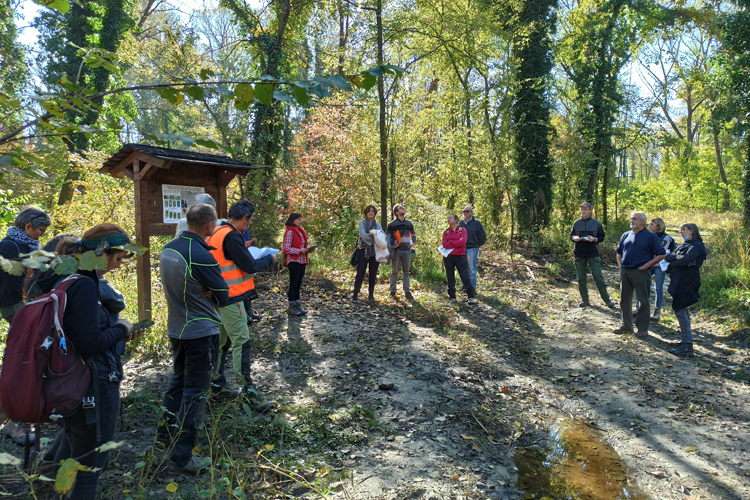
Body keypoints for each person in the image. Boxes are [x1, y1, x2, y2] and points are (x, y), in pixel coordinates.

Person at [32, 225, 143, 499]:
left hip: (71, 382)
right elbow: (88, 344)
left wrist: (114, 332)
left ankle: (52, 480)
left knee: (75, 446)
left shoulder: (67, 277)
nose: (117, 266)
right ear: (102, 252)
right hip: (91, 386)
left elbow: (79, 333)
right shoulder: (83, 284)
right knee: (90, 469)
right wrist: (122, 329)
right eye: (117, 259)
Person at [159, 204, 229, 473]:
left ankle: (164, 438)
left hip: (176, 328)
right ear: (211, 226)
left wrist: (207, 288)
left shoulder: (170, 248)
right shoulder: (201, 254)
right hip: (200, 332)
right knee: (196, 393)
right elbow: (223, 295)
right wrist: (211, 290)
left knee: (177, 385)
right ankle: (183, 454)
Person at [206, 200, 275, 412]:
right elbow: (250, 265)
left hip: (217, 298)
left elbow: (227, 256)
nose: (249, 226)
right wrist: (270, 259)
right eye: (250, 221)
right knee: (241, 342)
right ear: (244, 219)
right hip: (232, 298)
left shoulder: (217, 231)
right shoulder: (232, 236)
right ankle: (247, 393)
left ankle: (216, 385)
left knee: (221, 343)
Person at [0, 206, 50, 446]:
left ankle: (9, 411)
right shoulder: (10, 246)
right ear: (27, 226)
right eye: (40, 230)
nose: (42, 234)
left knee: (23, 357)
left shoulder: (29, 246)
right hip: (15, 306)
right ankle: (15, 418)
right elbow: (11, 287)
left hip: (26, 304)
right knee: (26, 358)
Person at [614, 211, 666, 336]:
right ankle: (626, 326)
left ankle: (642, 329)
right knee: (624, 300)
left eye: (635, 219)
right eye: (631, 218)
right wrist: (620, 264)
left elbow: (661, 254)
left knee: (643, 300)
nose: (632, 221)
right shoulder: (626, 234)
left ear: (643, 221)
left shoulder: (651, 236)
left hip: (641, 272)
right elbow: (619, 251)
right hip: (625, 271)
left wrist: (647, 265)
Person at [665, 223, 706, 355]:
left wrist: (677, 260)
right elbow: (668, 257)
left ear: (692, 230)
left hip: (687, 282)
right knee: (680, 310)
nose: (680, 232)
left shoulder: (697, 246)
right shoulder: (684, 245)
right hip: (678, 280)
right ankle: (685, 341)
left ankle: (687, 345)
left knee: (680, 309)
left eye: (683, 229)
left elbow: (685, 261)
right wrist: (676, 258)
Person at [570, 202, 615, 309]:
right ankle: (585, 300)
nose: (583, 211)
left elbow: (602, 237)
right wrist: (574, 238)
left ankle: (607, 300)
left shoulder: (597, 223)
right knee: (581, 278)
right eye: (582, 209)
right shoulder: (576, 223)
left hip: (593, 253)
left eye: (586, 209)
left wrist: (594, 239)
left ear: (590, 211)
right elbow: (571, 236)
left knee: (597, 276)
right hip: (579, 253)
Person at [283, 213, 316, 315]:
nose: (301, 221)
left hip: (302, 260)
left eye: (301, 219)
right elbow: (286, 248)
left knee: (298, 284)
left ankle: (297, 305)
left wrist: (307, 250)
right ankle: (291, 306)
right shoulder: (290, 232)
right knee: (293, 284)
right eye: (298, 219)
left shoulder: (301, 231)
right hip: (294, 261)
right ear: (292, 221)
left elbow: (302, 247)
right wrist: (299, 251)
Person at [442, 214, 475, 304]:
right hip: (448, 258)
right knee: (450, 277)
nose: (449, 219)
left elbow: (463, 242)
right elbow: (445, 245)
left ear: (456, 220)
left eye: (451, 218)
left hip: (460, 257)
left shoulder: (462, 230)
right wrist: (457, 242)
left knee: (465, 277)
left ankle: (471, 297)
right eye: (448, 218)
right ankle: (452, 296)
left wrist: (451, 242)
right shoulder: (446, 232)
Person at [352, 205, 382, 304]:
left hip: (375, 251)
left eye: (373, 211)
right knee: (360, 273)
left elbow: (381, 236)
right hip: (363, 250)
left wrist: (374, 235)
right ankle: (355, 294)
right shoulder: (362, 223)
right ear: (366, 212)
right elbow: (364, 236)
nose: (371, 213)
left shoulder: (377, 225)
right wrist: (373, 235)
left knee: (373, 274)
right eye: (369, 211)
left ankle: (371, 295)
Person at [648, 218, 675, 322]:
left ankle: (657, 311)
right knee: (641, 285)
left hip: (660, 266)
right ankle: (640, 308)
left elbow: (659, 251)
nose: (649, 226)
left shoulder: (666, 238)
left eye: (652, 224)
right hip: (648, 265)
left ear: (658, 227)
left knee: (658, 288)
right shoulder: (647, 235)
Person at [387, 204, 416, 299]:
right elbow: (387, 237)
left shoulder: (409, 223)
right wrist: (392, 244)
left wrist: (413, 242)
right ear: (396, 212)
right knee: (394, 271)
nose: (403, 208)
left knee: (406, 272)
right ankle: (393, 291)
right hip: (396, 251)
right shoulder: (392, 224)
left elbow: (413, 234)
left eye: (403, 207)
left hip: (407, 250)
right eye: (400, 208)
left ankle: (407, 292)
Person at [458, 206, 486, 292]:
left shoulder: (477, 223)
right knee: (463, 268)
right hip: (462, 249)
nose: (465, 213)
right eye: (464, 211)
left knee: (472, 268)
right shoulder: (461, 223)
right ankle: (464, 286)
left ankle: (472, 287)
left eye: (467, 211)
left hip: (472, 249)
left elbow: (483, 236)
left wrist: (477, 245)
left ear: (471, 213)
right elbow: (457, 235)